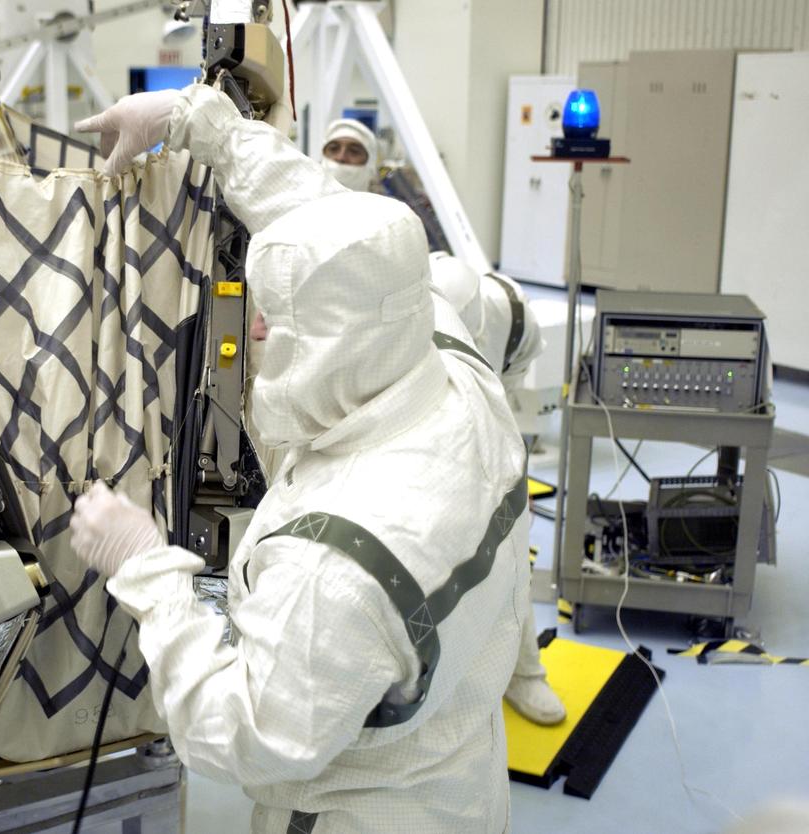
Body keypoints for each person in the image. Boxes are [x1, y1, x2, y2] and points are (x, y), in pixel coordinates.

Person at [72, 85, 530, 833]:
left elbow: (246, 735)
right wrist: (199, 122)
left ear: (330, 346)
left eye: (276, 320)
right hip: (463, 778)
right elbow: (330, 227)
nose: (253, 327)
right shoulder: (441, 349)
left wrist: (145, 567)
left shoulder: (341, 565)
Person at [429, 251, 567, 726]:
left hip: (491, 416)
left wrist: (505, 475)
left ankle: (524, 673)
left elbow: (504, 406)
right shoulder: (412, 321)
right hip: (427, 428)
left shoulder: (514, 318)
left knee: (510, 545)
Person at [320, 118, 379, 192]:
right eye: (333, 149)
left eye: (354, 151)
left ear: (369, 162)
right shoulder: (305, 200)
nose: (341, 157)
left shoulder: (382, 203)